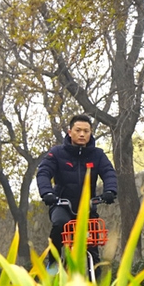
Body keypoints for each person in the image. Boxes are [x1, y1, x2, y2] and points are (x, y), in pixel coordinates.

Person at [36, 114, 117, 267]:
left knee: (92, 246)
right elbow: (44, 172)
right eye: (78, 130)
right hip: (61, 204)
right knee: (60, 224)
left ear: (90, 133)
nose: (82, 134)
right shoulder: (57, 153)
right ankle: (53, 260)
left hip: (87, 207)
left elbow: (109, 172)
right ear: (70, 132)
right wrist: (47, 193)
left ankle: (96, 285)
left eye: (86, 131)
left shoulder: (98, 155)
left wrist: (110, 191)